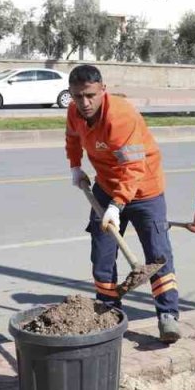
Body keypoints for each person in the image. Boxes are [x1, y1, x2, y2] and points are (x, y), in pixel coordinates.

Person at [65, 64, 181, 342]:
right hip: (105, 185)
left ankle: (168, 315)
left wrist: (117, 207)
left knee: (157, 254)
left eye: (91, 95)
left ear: (103, 90)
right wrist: (75, 166)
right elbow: (72, 138)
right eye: (78, 96)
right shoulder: (75, 112)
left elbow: (133, 168)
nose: (85, 102)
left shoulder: (121, 115)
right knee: (102, 251)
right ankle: (109, 310)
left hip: (144, 189)